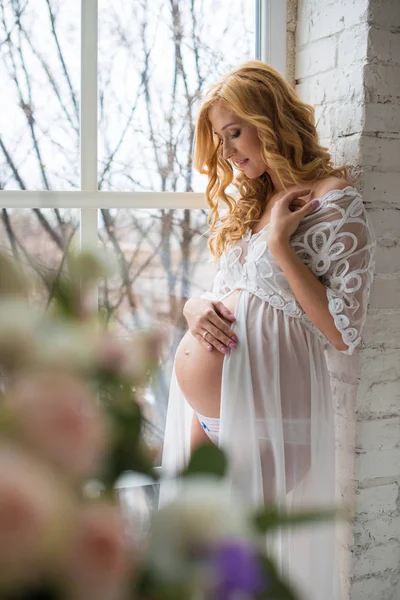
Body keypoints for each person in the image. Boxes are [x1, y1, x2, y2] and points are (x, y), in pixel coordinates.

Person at [159, 61, 376, 600]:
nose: (228, 151)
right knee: (200, 568)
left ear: (270, 118)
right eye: (219, 138)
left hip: (271, 419)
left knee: (238, 568)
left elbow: (343, 330)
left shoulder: (332, 201)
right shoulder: (253, 206)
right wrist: (192, 309)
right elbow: (227, 296)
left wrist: (281, 243)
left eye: (235, 131)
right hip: (210, 415)